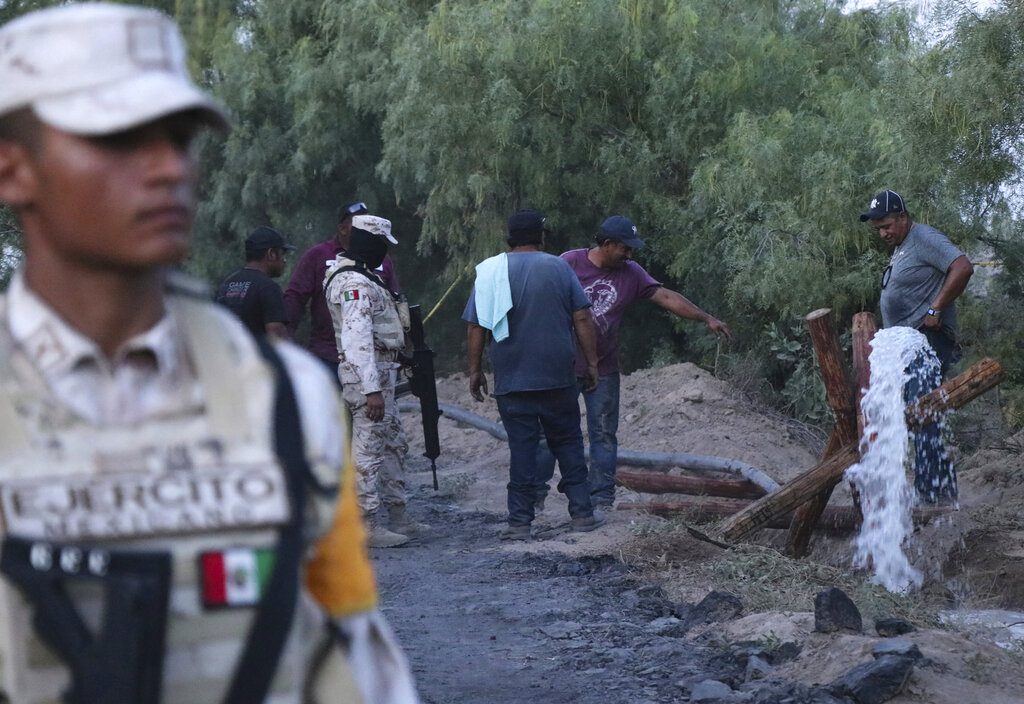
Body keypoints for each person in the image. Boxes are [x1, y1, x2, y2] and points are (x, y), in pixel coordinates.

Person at [0, 4, 418, 703]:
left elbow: (353, 651)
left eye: (180, 136)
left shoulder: (289, 397)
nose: (168, 168)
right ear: (13, 170)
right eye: (117, 137)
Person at [537, 215, 732, 509]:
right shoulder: (568, 263)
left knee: (603, 434)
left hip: (603, 368)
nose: (630, 254)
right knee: (551, 431)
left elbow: (666, 297)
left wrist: (706, 318)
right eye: (624, 248)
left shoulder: (631, 273)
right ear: (606, 244)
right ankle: (535, 497)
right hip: (562, 366)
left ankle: (601, 498)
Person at [463, 209, 604, 540]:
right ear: (541, 236)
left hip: (512, 379)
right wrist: (592, 362)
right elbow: (582, 317)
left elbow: (476, 324)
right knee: (568, 441)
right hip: (557, 376)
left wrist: (474, 370)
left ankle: (520, 523)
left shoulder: (489, 271)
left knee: (522, 448)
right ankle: (582, 514)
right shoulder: (558, 266)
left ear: (509, 238)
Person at [861, 189, 974, 503]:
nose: (883, 233)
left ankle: (934, 494)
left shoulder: (924, 238)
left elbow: (963, 266)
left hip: (926, 343)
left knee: (922, 412)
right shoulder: (901, 247)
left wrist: (936, 308)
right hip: (906, 347)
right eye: (878, 228)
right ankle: (932, 489)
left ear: (902, 216)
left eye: (886, 225)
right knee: (910, 415)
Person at [324, 214, 423, 549]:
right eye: (381, 245)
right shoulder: (354, 283)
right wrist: (371, 390)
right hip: (369, 377)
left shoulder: (365, 278)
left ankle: (399, 515)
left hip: (383, 372)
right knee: (367, 451)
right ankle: (365, 525)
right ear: (369, 242)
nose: (384, 253)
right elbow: (357, 340)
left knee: (393, 444)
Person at [285, 201, 402, 377]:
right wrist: (284, 340)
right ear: (343, 228)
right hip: (328, 356)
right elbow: (295, 298)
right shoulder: (318, 255)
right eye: (359, 224)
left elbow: (396, 298)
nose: (365, 228)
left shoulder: (381, 259)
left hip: (374, 357)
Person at [215, 225, 294, 338]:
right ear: (271, 254)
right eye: (283, 254)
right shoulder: (269, 289)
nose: (284, 260)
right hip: (255, 355)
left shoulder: (226, 285)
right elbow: (277, 340)